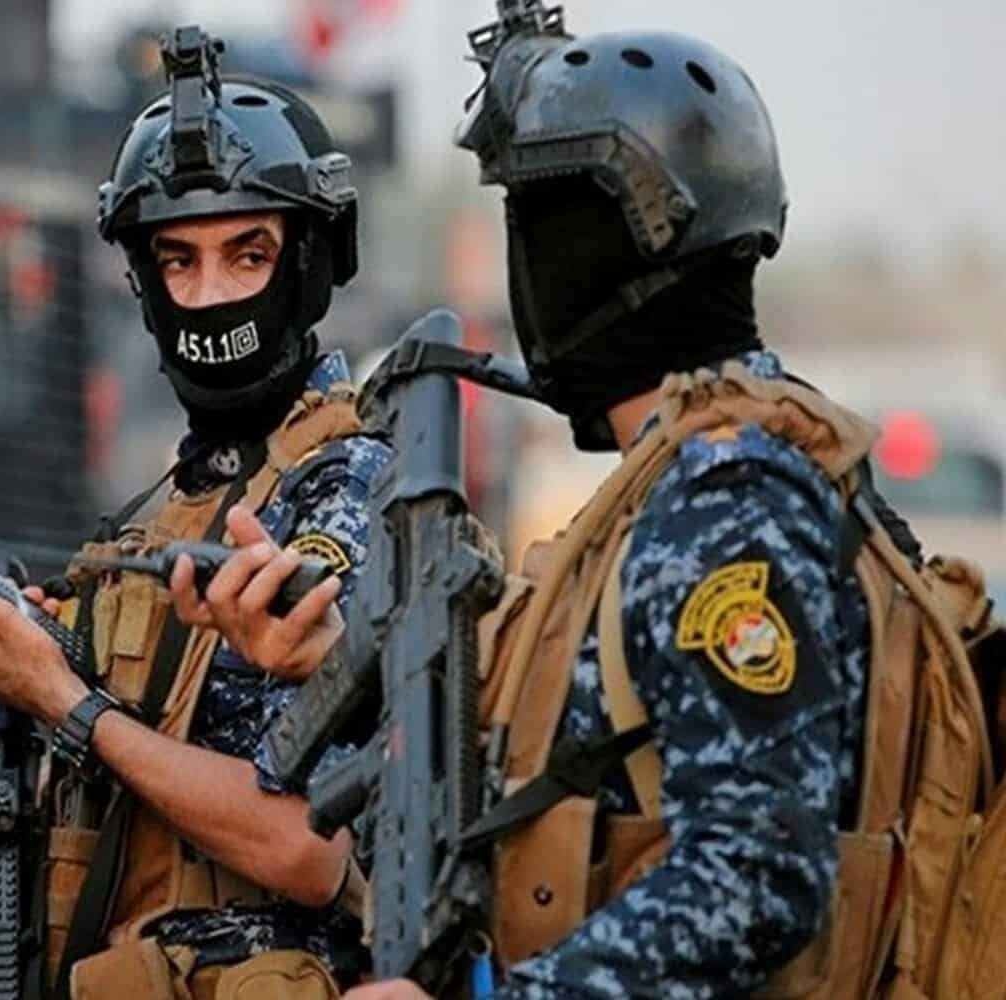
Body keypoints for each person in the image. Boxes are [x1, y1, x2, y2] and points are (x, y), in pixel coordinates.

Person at [350, 16, 889, 1000]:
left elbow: (759, 874)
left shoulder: (728, 504)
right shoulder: (704, 471)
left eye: (536, 223)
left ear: (609, 240)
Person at [0, 25, 390, 1000]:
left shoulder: (351, 487)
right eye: (178, 261)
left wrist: (66, 702)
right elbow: (121, 798)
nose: (209, 297)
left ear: (309, 263)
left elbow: (303, 849)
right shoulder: (172, 506)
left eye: (247, 254)